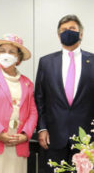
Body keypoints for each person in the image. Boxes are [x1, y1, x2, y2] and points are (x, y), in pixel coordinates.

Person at [35, 15, 94, 172]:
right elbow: (40, 98)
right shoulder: (46, 62)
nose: (68, 32)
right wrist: (42, 128)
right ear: (58, 35)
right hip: (53, 136)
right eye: (63, 30)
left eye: (72, 29)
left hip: (86, 138)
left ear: (81, 34)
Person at [0, 34, 38, 173]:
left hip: (18, 144)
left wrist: (25, 135)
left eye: (11, 52)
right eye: (2, 51)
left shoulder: (27, 83)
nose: (6, 55)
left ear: (19, 59)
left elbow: (33, 112)